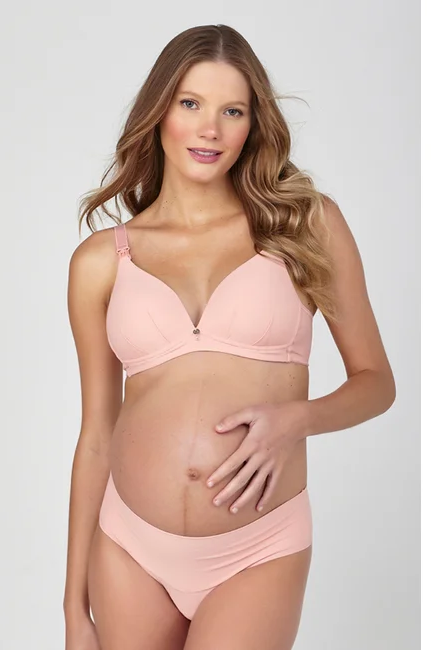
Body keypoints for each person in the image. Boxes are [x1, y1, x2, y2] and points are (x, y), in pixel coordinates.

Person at [63, 24, 396, 650]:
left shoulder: (306, 225)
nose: (210, 129)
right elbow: (97, 435)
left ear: (252, 124)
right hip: (127, 547)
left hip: (258, 548)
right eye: (191, 103)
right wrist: (73, 610)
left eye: (232, 111)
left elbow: (377, 383)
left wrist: (296, 420)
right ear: (158, 112)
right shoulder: (102, 261)